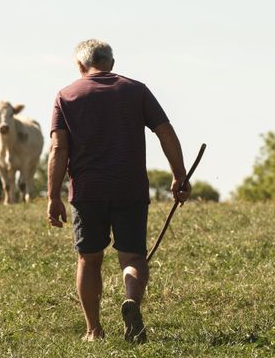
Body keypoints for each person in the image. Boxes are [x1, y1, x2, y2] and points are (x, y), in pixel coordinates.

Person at [47, 39, 191, 343]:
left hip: (87, 192)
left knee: (89, 259)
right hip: (130, 188)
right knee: (133, 259)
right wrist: (179, 176)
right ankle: (131, 302)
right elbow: (165, 132)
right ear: (111, 63)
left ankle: (93, 330)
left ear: (80, 65)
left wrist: (53, 196)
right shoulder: (136, 90)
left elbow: (59, 149)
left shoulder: (67, 96)